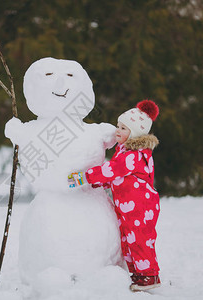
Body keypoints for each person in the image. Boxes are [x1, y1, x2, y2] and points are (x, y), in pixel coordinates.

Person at [68, 100, 161, 292]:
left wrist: (85, 177)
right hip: (129, 206)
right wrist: (97, 183)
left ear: (135, 133)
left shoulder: (133, 155)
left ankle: (148, 276)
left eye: (124, 128)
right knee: (128, 240)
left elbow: (111, 170)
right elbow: (115, 178)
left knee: (139, 239)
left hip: (140, 206)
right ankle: (138, 274)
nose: (117, 130)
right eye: (118, 126)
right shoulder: (125, 152)